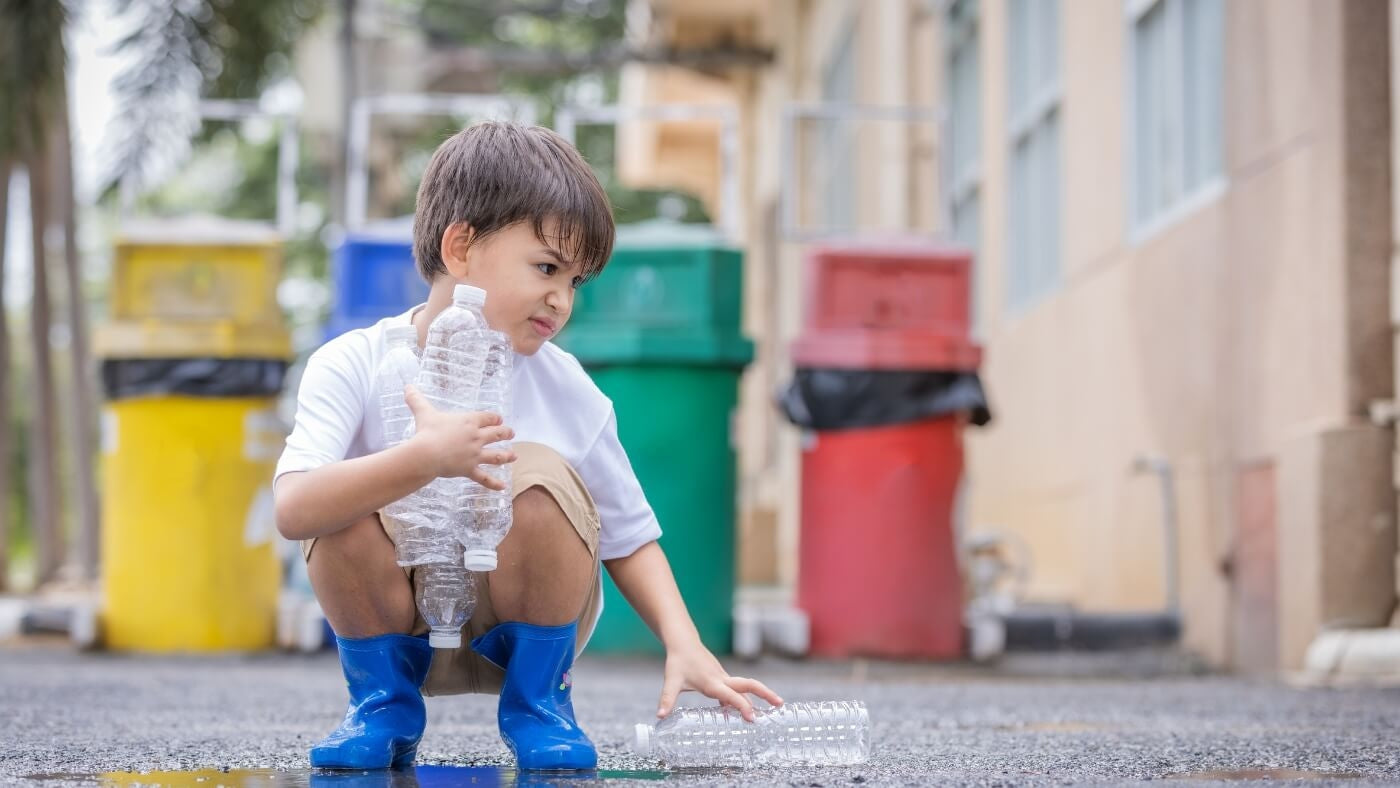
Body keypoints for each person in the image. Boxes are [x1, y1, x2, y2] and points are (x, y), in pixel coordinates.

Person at [273, 121, 781, 771]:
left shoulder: (564, 385)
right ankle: (382, 705)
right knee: (337, 498)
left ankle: (540, 705)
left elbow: (630, 534)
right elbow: (293, 509)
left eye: (575, 282)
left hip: (511, 631)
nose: (561, 299)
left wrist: (686, 644)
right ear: (460, 247)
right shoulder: (354, 364)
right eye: (546, 268)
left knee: (539, 474)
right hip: (398, 618)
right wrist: (420, 460)